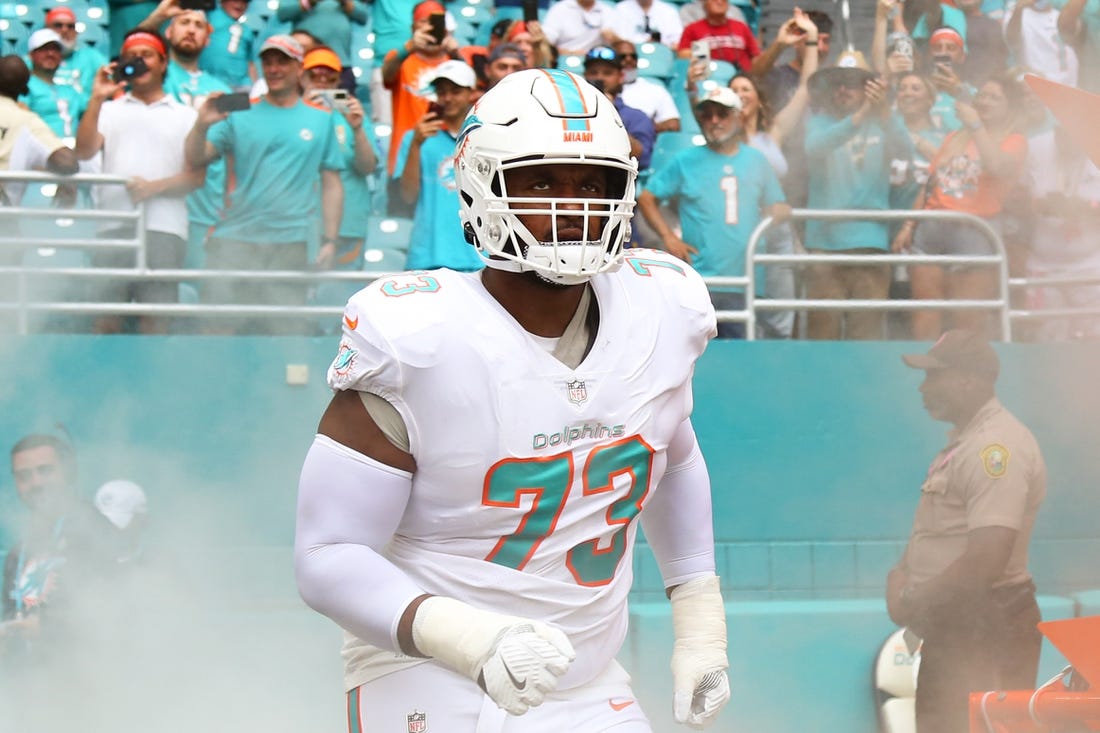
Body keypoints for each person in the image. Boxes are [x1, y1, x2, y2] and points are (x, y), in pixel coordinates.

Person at [295, 68, 731, 732]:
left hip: (587, 675)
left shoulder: (661, 308)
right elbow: (326, 556)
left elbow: (672, 458)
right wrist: (473, 638)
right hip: (429, 665)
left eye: (592, 184)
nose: (572, 205)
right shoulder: (420, 337)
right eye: (541, 180)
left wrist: (701, 623)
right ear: (481, 184)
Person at [887, 329, 1045, 733]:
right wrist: (902, 575)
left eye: (933, 376)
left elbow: (987, 558)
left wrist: (914, 596)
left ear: (968, 379)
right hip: (959, 625)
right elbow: (940, 532)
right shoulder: (966, 444)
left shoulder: (996, 448)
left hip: (989, 625)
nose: (923, 387)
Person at [184, 34, 345, 335]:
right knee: (218, 331)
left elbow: (332, 182)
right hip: (234, 238)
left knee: (282, 334)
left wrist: (330, 240)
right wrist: (201, 124)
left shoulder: (321, 118)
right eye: (268, 62)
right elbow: (197, 158)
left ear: (299, 68)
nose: (274, 69)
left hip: (289, 242)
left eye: (282, 61)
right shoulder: (239, 107)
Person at [73, 29, 202, 335]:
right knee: (106, 317)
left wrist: (153, 188)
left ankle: (157, 381)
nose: (139, 62)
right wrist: (96, 97)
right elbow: (84, 150)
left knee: (155, 319)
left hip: (164, 228)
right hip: (113, 225)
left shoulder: (186, 115)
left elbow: (196, 177)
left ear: (163, 62)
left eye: (146, 55)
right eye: (132, 56)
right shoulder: (107, 109)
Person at [638, 86, 788, 339]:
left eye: (722, 114)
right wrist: (669, 237)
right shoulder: (685, 160)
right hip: (700, 280)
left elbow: (778, 204)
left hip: (747, 279)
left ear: (739, 117)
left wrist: (779, 211)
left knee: (741, 356)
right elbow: (646, 198)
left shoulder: (757, 160)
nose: (714, 120)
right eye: (707, 115)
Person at [892, 73, 1027, 340]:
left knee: (968, 318)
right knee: (925, 311)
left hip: (975, 232)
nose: (985, 101)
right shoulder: (955, 136)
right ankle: (925, 369)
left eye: (994, 97)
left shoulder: (1015, 141)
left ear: (1009, 107)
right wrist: (909, 224)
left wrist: (976, 126)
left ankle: (966, 376)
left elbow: (996, 166)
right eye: (983, 96)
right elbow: (931, 182)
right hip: (931, 227)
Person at [803, 52, 913, 340]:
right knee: (821, 336)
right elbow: (813, 149)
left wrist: (884, 112)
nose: (843, 89)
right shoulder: (819, 121)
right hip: (824, 246)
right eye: (838, 83)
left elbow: (906, 152)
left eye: (853, 83)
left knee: (867, 337)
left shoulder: (885, 120)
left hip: (871, 244)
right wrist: (861, 115)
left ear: (867, 87)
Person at [2, 432, 122, 646]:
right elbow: (12, 616)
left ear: (68, 473)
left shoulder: (96, 531)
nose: (35, 483)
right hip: (31, 677)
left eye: (45, 471)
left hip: (89, 675)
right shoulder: (18, 553)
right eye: (24, 476)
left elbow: (123, 612)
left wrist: (48, 629)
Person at [393, 60, 481, 271]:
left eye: (455, 91)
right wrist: (415, 145)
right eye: (441, 92)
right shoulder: (415, 138)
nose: (447, 98)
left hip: (477, 257)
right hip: (428, 256)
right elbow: (407, 196)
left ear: (471, 93)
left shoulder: (485, 137)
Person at [301, 46, 379, 270]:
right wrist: (306, 108)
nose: (322, 81)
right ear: (301, 77)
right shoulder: (293, 112)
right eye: (314, 75)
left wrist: (357, 129)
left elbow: (367, 168)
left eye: (330, 76)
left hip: (347, 223)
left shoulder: (351, 116)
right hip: (301, 224)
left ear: (338, 81)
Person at [582, 46, 655, 170]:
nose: (600, 78)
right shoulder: (568, 112)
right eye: (593, 73)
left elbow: (640, 158)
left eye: (607, 73)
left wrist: (607, 113)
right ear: (584, 76)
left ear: (621, 76)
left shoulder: (637, 117)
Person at [276, 0, 369, 93]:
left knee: (342, 103)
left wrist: (345, 2)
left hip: (340, 66)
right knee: (306, 102)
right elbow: (282, 13)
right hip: (306, 67)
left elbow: (363, 16)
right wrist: (308, 2)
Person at [20, 29, 85, 140]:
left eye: (56, 50)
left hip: (73, 151)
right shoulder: (24, 86)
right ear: (31, 54)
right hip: (41, 150)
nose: (50, 54)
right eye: (44, 49)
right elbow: (20, 122)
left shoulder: (69, 90)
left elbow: (92, 113)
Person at [614, 39, 680, 133]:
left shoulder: (655, 90)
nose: (629, 60)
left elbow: (673, 124)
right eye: (622, 57)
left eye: (633, 56)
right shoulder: (600, 89)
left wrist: (642, 126)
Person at [677, 0, 760, 73]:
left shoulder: (741, 27)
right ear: (704, 3)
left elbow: (755, 55)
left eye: (724, 0)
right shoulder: (692, 29)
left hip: (742, 77)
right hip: (711, 77)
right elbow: (683, 55)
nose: (720, 2)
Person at [46, 6, 109, 103]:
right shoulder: (35, 60)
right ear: (45, 30)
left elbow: (114, 85)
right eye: (58, 25)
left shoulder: (90, 56)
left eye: (70, 26)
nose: (65, 30)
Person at [200, 0, 257, 91]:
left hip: (241, 86)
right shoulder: (209, 16)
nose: (239, 4)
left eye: (245, 2)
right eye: (235, 0)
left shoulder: (247, 31)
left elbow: (250, 63)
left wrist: (256, 87)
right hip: (209, 83)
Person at [541, 0, 617, 55]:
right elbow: (547, 41)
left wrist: (613, 38)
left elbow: (614, 39)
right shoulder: (560, 9)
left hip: (596, 59)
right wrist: (567, 53)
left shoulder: (607, 10)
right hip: (565, 57)